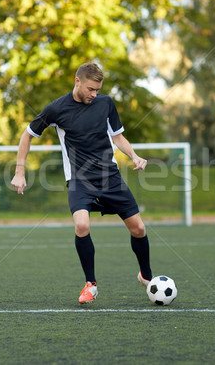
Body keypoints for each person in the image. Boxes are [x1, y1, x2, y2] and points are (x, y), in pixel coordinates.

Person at [10, 62, 153, 304]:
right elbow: (28, 135)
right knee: (82, 225)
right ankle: (91, 285)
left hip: (110, 177)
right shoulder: (56, 109)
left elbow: (117, 136)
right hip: (79, 179)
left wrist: (134, 156)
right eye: (90, 89)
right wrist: (20, 171)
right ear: (77, 81)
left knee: (138, 229)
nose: (93, 94)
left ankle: (146, 276)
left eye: (97, 90)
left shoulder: (105, 104)